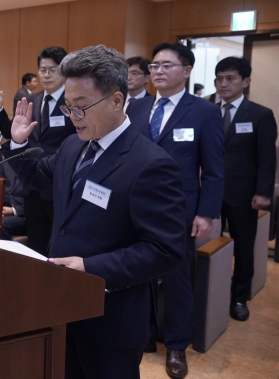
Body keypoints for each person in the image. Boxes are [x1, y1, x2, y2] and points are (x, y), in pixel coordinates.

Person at [5, 44, 185, 379]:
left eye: (82, 107)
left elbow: (165, 250)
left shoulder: (151, 165)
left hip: (111, 319)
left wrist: (89, 267)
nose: (73, 117)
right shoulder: (74, 145)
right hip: (61, 306)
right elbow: (38, 178)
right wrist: (18, 143)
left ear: (117, 101)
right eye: (68, 107)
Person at [126, 43, 224, 379]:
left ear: (186, 70)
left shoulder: (204, 112)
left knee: (176, 278)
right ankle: (146, 334)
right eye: (154, 66)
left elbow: (213, 169)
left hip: (178, 209)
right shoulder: (136, 109)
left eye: (167, 65)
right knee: (137, 273)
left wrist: (206, 212)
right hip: (134, 206)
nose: (158, 71)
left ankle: (177, 344)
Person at [0, 46, 75, 256]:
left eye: (52, 70)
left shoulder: (72, 102)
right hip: (32, 183)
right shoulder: (30, 100)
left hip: (60, 184)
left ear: (63, 71)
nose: (45, 75)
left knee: (60, 246)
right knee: (37, 243)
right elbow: (14, 133)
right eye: (42, 70)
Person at [216, 57, 277, 321]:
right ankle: (213, 292)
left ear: (246, 81)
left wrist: (263, 192)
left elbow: (267, 158)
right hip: (211, 192)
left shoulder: (260, 114)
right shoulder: (207, 110)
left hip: (243, 194)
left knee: (243, 248)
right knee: (210, 245)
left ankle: (240, 297)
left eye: (230, 78)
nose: (223, 84)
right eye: (219, 79)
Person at [0, 161, 25, 241]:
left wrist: (13, 211)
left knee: (2, 223)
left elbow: (36, 202)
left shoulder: (36, 165)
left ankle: (3, 253)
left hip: (25, 214)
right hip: (4, 209)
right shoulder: (6, 163)